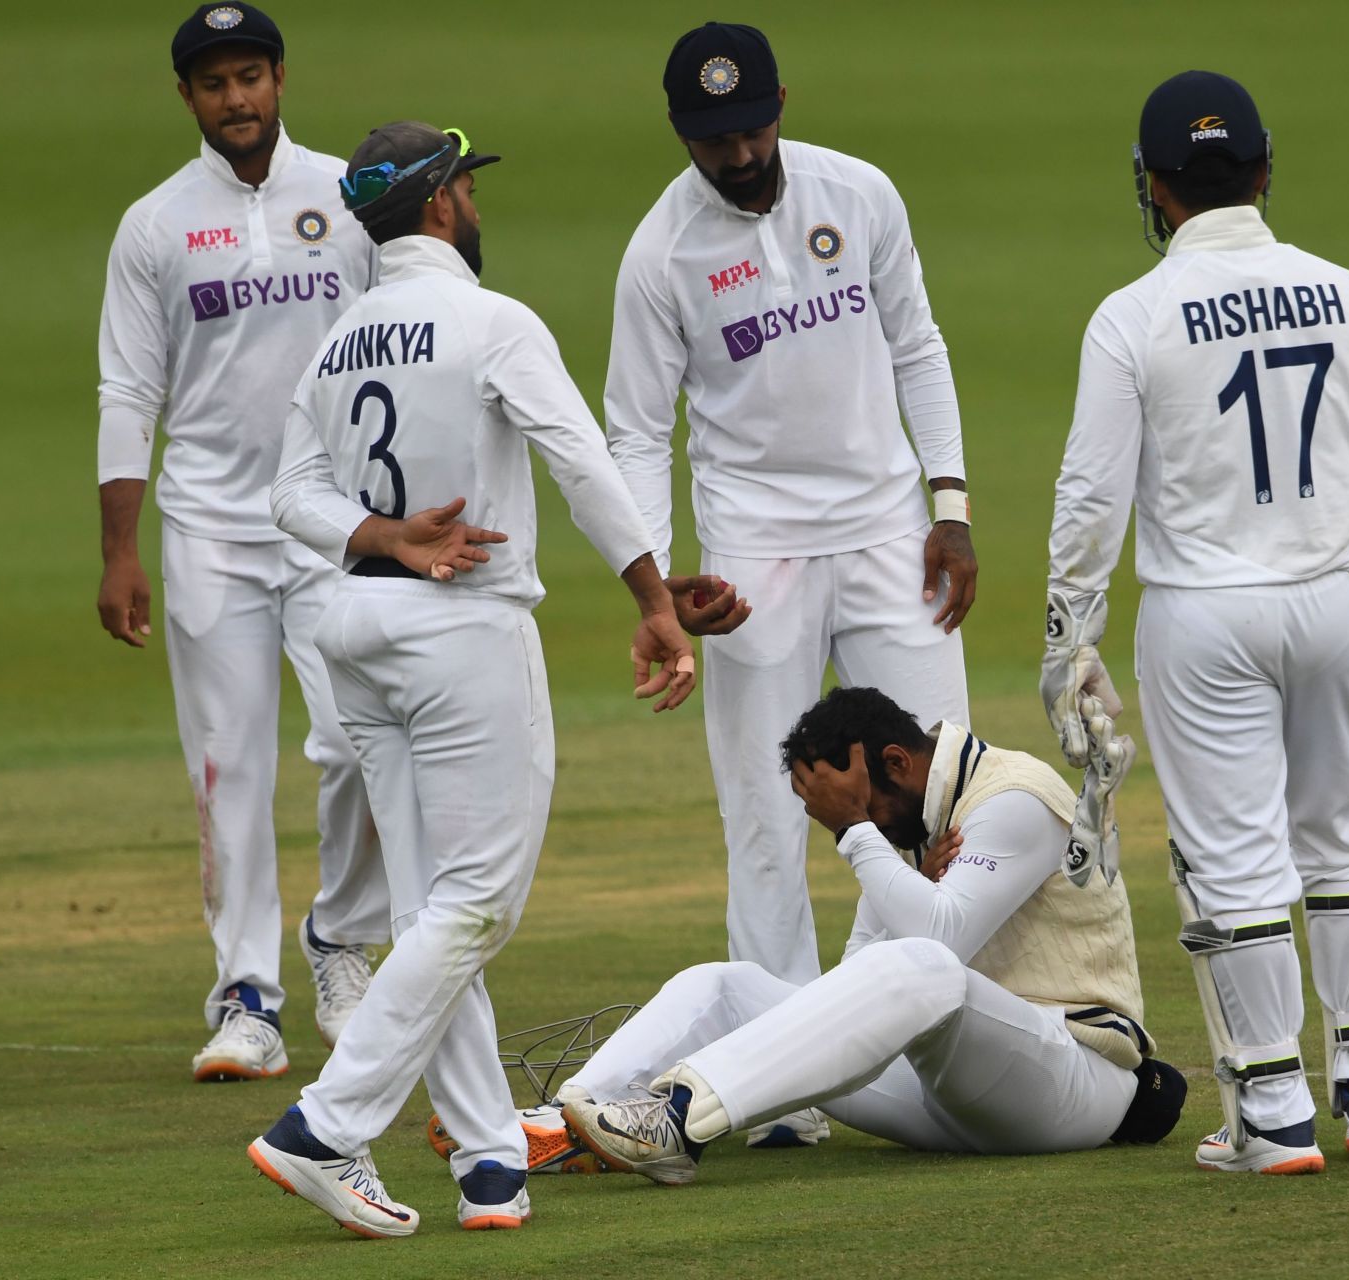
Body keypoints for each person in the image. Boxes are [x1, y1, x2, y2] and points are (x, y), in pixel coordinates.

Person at [248, 121, 696, 1237]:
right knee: (477, 901)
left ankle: (490, 1164)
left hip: (355, 630)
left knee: (430, 904)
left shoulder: (339, 337)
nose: (476, 207)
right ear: (442, 202)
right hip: (462, 635)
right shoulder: (493, 320)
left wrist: (380, 535)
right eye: (469, 190)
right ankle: (323, 1124)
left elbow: (288, 496)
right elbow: (582, 459)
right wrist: (654, 597)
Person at [1042, 71, 1349, 1175]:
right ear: (1264, 173)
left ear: (1156, 187)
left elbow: (1092, 496)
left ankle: (1271, 1111)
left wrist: (1067, 638)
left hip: (1204, 611)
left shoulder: (1131, 315)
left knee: (1232, 855)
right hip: (1335, 600)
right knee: (1346, 828)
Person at [606, 23, 976, 1037]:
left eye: (750, 129)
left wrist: (951, 510)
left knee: (941, 778)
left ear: (782, 105)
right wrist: (663, 582)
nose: (736, 156)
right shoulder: (662, 251)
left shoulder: (859, 194)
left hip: (887, 528)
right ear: (683, 133)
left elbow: (919, 345)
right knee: (767, 815)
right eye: (711, 139)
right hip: (753, 554)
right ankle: (783, 1063)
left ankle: (941, 1020)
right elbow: (635, 429)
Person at [484, 687, 1183, 1180]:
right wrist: (883, 848)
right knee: (724, 984)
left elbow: (936, 951)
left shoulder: (1015, 799)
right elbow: (853, 981)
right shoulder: (921, 821)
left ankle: (675, 1117)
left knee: (925, 964)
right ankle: (560, 1124)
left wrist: (857, 833)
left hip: (1073, 1080)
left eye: (858, 803)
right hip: (953, 1089)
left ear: (898, 764)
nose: (857, 825)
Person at [96, 2, 388, 1081]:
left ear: (278, 79)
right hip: (212, 526)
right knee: (228, 766)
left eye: (251, 77)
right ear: (188, 98)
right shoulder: (156, 224)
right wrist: (121, 549)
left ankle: (342, 940)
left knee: (359, 737)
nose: (237, 100)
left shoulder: (345, 200)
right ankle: (248, 1001)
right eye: (214, 84)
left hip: (330, 519)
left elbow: (397, 340)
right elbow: (129, 390)